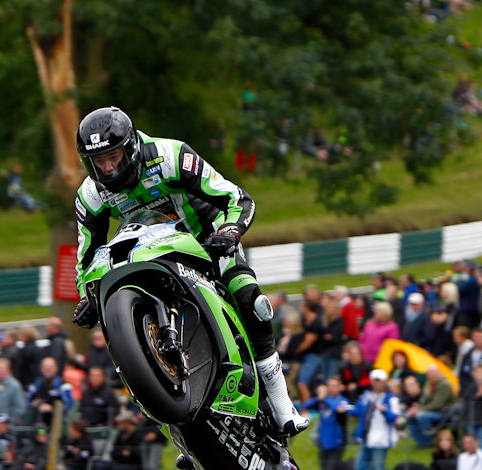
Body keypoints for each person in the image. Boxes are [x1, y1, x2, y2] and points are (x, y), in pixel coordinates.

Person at [71, 106, 307, 434]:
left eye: (115, 157)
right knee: (117, 326)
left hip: (206, 242)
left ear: (132, 147)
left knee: (248, 295)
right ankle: (187, 432)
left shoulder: (171, 155)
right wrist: (88, 296)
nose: (109, 168)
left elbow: (236, 197)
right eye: (100, 162)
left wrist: (230, 231)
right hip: (148, 253)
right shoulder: (90, 194)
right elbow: (87, 253)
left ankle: (282, 403)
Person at [353, 369, 399, 470]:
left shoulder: (391, 398)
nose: (377, 384)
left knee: (378, 468)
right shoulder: (367, 396)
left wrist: (384, 411)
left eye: (380, 381)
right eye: (374, 381)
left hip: (382, 438)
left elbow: (394, 417)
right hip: (367, 436)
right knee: (359, 466)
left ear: (384, 382)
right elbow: (357, 411)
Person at [305, 376, 350, 470]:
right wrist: (319, 398)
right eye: (329, 385)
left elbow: (338, 410)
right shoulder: (323, 401)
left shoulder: (342, 401)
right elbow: (307, 405)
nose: (331, 388)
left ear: (340, 387)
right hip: (324, 441)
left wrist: (325, 398)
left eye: (334, 385)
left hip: (337, 442)